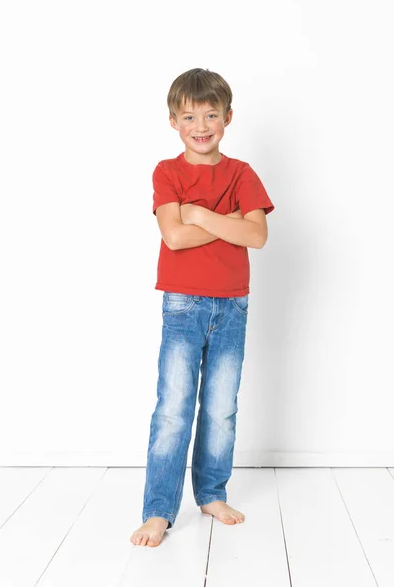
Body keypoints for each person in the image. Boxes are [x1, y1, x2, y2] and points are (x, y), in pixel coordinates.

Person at [130, 68, 275, 547]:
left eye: (211, 114)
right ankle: (158, 510)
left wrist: (199, 213)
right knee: (173, 408)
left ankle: (211, 493)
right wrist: (226, 219)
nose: (201, 125)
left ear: (228, 117)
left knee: (220, 409)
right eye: (190, 116)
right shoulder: (166, 172)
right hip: (183, 305)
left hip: (233, 306)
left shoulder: (241, 173)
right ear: (173, 120)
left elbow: (256, 235)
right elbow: (173, 235)